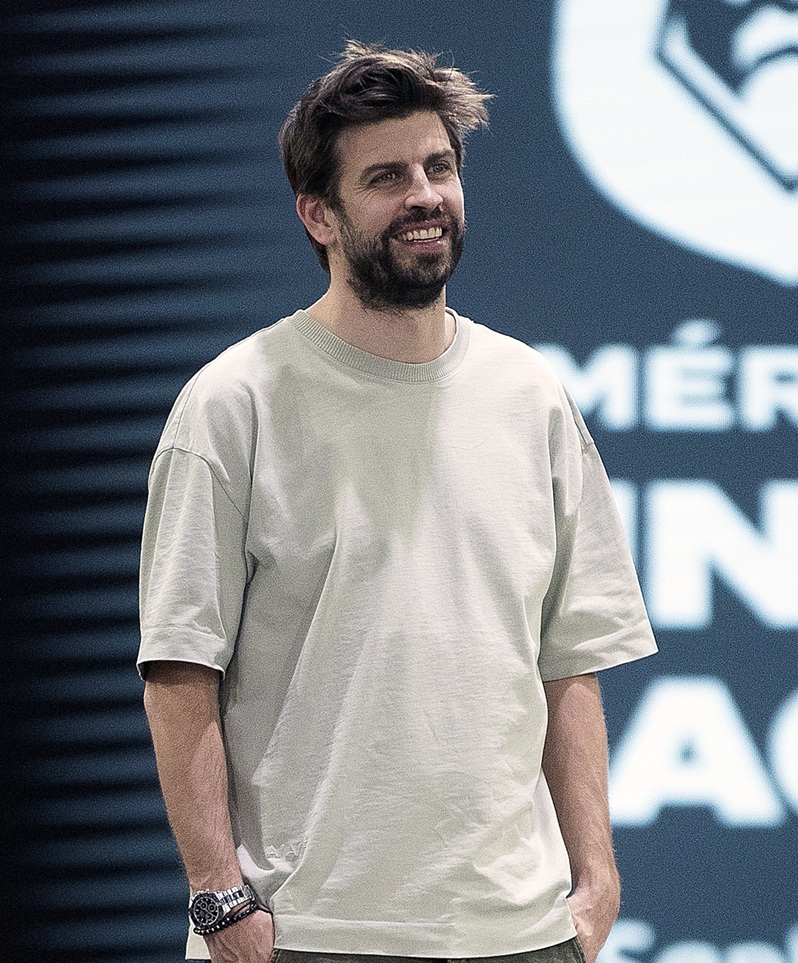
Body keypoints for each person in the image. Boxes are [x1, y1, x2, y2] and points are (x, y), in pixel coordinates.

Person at [138, 41, 656, 963]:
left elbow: (571, 657)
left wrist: (595, 881)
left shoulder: (528, 393)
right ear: (318, 215)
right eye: (386, 177)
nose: (425, 195)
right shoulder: (234, 403)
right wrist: (221, 899)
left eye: (440, 167)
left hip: (520, 932)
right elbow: (181, 669)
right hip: (305, 934)